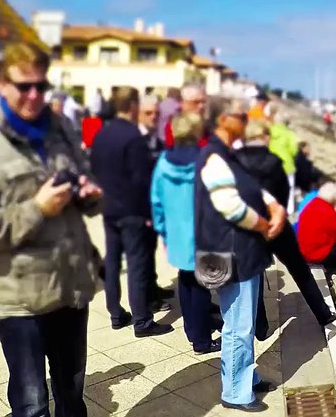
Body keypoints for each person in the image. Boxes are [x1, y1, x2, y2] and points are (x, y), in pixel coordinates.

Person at [0, 42, 105, 417]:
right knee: (32, 404)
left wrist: (90, 194)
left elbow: (86, 180)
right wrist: (35, 209)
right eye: (24, 86)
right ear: (1, 85)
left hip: (69, 288)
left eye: (41, 86)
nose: (35, 95)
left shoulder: (61, 128)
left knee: (71, 394)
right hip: (20, 300)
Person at [196, 101, 284, 411]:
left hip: (240, 253)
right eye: (240, 116)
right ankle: (235, 391)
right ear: (221, 119)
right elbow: (231, 207)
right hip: (231, 254)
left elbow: (252, 189)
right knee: (238, 326)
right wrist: (263, 225)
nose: (246, 120)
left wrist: (274, 207)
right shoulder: (214, 157)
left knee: (241, 322)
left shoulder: (228, 153)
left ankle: (247, 375)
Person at [234, 119, 335, 327]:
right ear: (264, 137)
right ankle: (322, 313)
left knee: (255, 272)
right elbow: (283, 194)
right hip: (276, 222)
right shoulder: (274, 161)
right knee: (299, 268)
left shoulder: (234, 161)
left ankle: (259, 325)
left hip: (250, 224)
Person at [90, 86, 171, 337]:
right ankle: (142, 321)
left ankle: (115, 313)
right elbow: (141, 180)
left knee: (112, 261)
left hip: (109, 208)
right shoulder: (133, 137)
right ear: (133, 106)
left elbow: (94, 169)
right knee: (137, 264)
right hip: (132, 211)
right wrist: (150, 214)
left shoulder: (102, 134)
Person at [151, 113, 220, 354]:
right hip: (202, 232)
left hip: (176, 232)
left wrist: (163, 231)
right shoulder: (204, 161)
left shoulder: (163, 161)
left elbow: (156, 200)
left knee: (186, 280)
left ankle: (192, 330)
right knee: (202, 286)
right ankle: (202, 340)